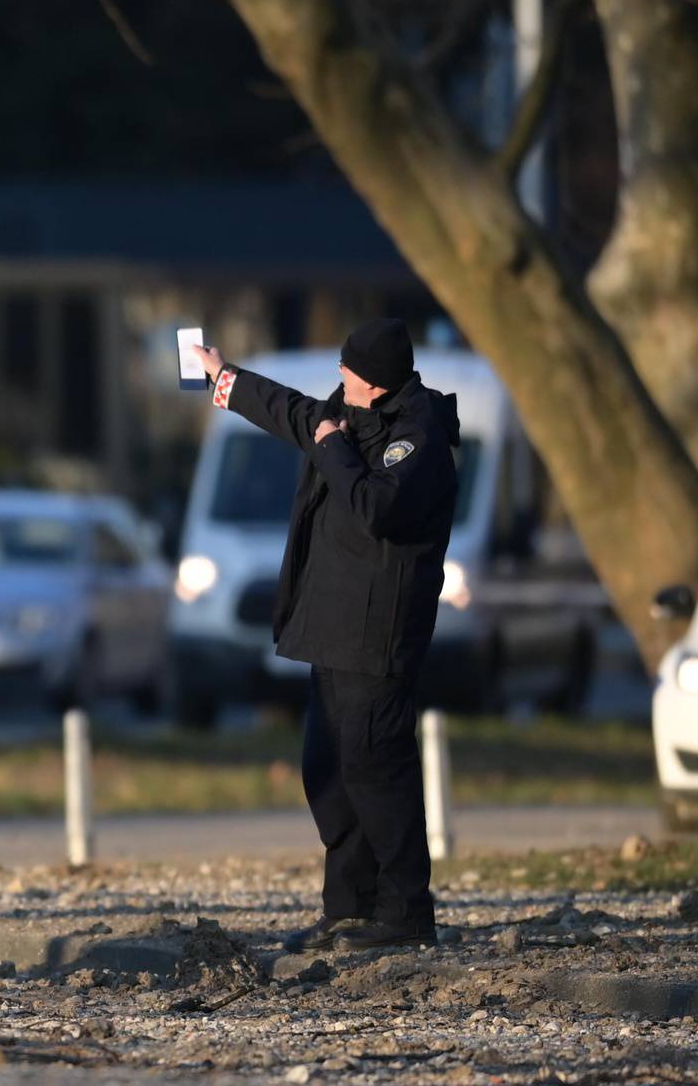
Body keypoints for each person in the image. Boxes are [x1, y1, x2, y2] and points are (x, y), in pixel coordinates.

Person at [194, 319, 459, 953]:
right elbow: (291, 411)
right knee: (329, 770)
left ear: (373, 382)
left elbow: (377, 508)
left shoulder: (417, 437)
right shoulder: (348, 414)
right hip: (332, 628)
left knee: (377, 770)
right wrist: (222, 375)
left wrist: (332, 446)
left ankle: (405, 912)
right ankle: (348, 908)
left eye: (346, 372)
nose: (337, 380)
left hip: (379, 632)